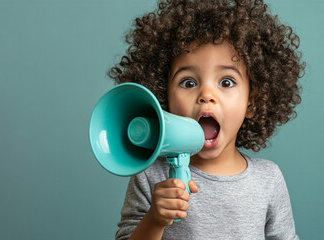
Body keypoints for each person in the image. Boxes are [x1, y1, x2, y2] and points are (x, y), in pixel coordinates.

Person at [108, 0, 305, 239]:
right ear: (164, 99)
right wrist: (155, 219)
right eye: (188, 83)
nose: (206, 95)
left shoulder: (268, 179)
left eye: (226, 82)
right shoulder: (149, 174)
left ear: (252, 101)